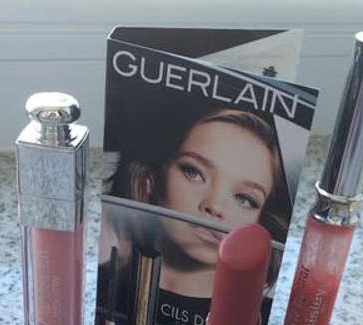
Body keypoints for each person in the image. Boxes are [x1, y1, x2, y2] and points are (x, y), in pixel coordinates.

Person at [105, 108, 288, 297]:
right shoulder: (97, 287)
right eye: (194, 173)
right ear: (151, 179)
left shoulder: (261, 314)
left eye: (244, 199)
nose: (215, 206)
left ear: (261, 222)